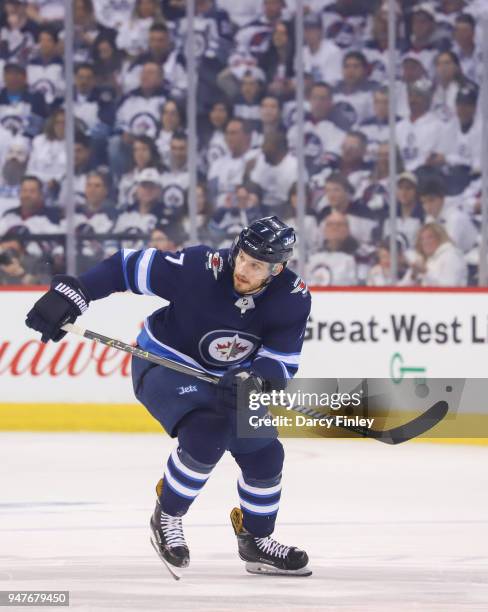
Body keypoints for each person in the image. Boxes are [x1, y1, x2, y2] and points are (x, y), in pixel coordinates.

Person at [25, 216, 312, 578]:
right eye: (241, 256)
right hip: (164, 363)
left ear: (277, 268)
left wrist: (254, 378)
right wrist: (75, 292)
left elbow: (281, 362)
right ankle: (168, 516)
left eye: (255, 265)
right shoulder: (200, 268)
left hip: (229, 380)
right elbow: (127, 266)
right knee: (208, 433)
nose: (242, 268)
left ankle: (256, 541)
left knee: (266, 455)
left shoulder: (292, 298)